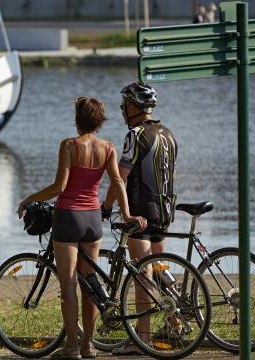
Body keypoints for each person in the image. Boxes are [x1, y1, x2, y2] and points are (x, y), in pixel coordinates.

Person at [17, 97, 147, 360]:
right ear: (100, 121)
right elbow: (118, 181)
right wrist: (127, 213)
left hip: (67, 218)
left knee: (69, 284)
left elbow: (59, 188)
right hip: (92, 220)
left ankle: (73, 348)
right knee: (90, 283)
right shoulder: (108, 147)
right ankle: (89, 345)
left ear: (78, 119)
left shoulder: (69, 146)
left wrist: (29, 198)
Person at [101, 82, 178, 355]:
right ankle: (175, 321)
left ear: (134, 107)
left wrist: (107, 205)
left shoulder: (135, 135)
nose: (122, 111)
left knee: (142, 275)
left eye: (124, 106)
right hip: (165, 212)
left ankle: (140, 339)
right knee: (158, 271)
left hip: (141, 213)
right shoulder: (167, 133)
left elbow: (120, 176)